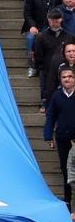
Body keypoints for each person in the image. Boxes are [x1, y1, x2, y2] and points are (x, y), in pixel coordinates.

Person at [45, 67, 75, 206]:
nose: (67, 79)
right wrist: (48, 135)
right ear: (60, 79)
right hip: (63, 138)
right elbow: (51, 116)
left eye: (70, 76)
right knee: (65, 168)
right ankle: (68, 199)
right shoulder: (57, 96)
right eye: (64, 77)